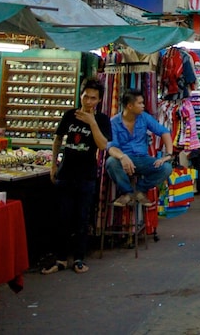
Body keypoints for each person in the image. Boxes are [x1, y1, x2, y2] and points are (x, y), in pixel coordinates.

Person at [42, 79, 112, 275]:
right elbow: (58, 139)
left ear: (98, 100)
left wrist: (92, 122)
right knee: (62, 217)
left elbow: (101, 145)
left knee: (82, 219)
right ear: (80, 95)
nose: (88, 101)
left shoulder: (103, 120)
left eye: (93, 98)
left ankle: (79, 258)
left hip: (86, 175)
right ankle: (61, 258)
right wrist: (53, 164)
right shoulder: (69, 115)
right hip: (66, 172)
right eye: (86, 96)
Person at [105, 90, 174, 207]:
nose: (143, 106)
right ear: (130, 106)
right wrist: (122, 157)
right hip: (124, 160)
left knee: (166, 168)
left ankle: (139, 190)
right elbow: (111, 147)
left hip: (143, 159)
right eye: (140, 103)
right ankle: (127, 192)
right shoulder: (114, 122)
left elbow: (164, 132)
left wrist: (168, 155)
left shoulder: (144, 118)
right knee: (111, 162)